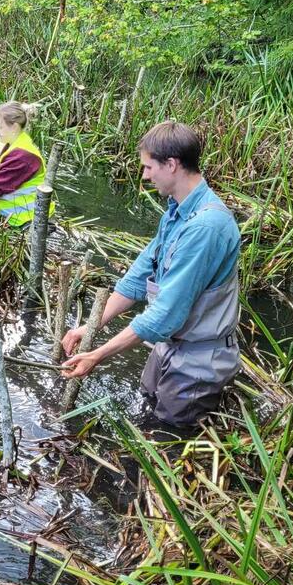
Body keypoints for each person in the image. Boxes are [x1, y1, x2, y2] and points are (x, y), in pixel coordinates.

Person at [60, 121, 241, 428]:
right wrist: (89, 327)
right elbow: (137, 278)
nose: (144, 175)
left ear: (171, 165)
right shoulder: (176, 211)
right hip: (169, 347)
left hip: (198, 360)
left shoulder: (205, 228)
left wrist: (97, 355)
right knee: (145, 411)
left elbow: (164, 316)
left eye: (148, 167)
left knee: (166, 437)